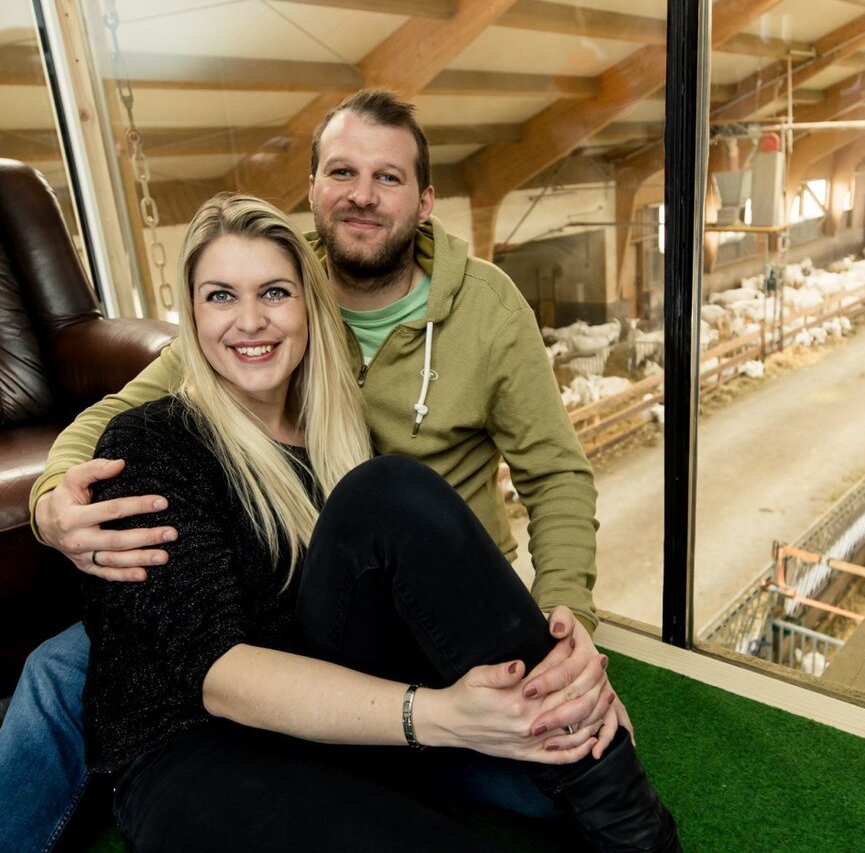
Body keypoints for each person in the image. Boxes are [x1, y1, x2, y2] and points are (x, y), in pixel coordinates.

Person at [0, 90, 622, 851]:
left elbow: (555, 474)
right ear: (315, 189)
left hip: (429, 606)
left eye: (388, 177)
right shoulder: (273, 299)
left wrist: (567, 624)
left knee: (555, 767)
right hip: (279, 587)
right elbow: (116, 418)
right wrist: (51, 507)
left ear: (426, 200)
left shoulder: (485, 308)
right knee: (64, 667)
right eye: (342, 171)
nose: (362, 194)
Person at [80, 193, 679, 851]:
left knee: (391, 489)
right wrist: (444, 716)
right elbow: (220, 679)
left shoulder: (336, 439)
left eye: (274, 292)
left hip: (334, 720)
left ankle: (634, 827)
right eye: (220, 296)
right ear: (192, 315)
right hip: (193, 749)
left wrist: (565, 690)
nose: (249, 321)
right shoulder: (150, 443)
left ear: (309, 306)